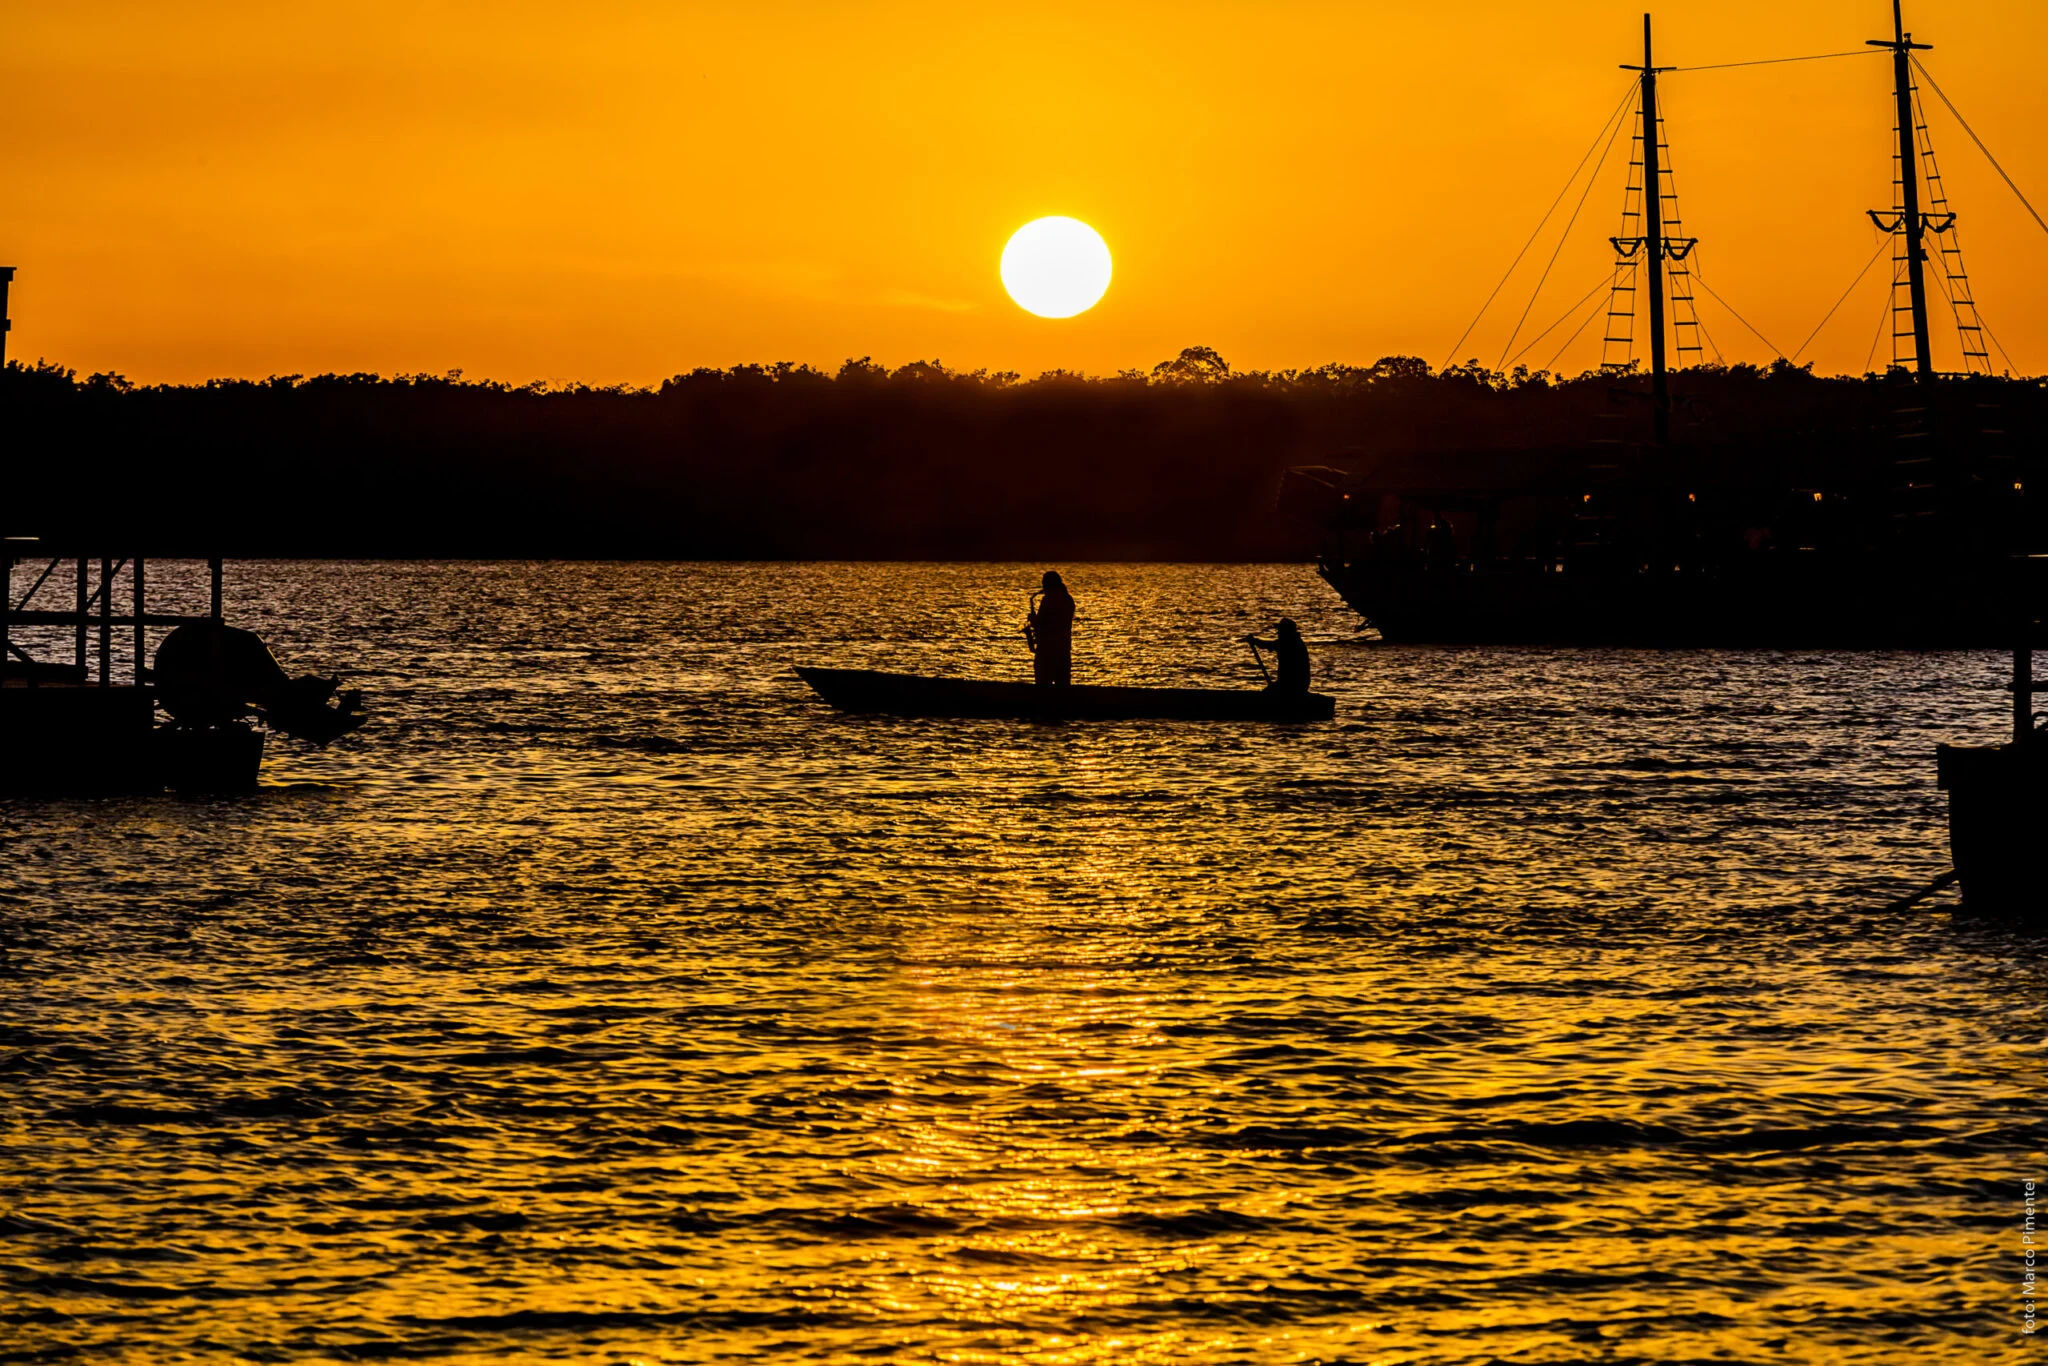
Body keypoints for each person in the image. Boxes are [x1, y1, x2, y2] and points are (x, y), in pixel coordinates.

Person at [1027, 570, 1075, 686]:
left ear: (1049, 584)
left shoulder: (1048, 599)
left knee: (1043, 687)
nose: (1042, 587)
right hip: (1063, 650)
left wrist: (1032, 620)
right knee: (1063, 688)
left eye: (1044, 584)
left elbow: (1041, 622)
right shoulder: (1069, 599)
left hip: (1046, 650)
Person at [1246, 618, 1309, 693]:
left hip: (1292, 684)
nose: (1278, 632)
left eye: (1280, 630)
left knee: (1265, 695)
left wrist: (1254, 641)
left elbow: (1267, 645)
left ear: (1286, 631)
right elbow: (1269, 645)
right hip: (1295, 683)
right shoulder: (1294, 641)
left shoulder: (1289, 643)